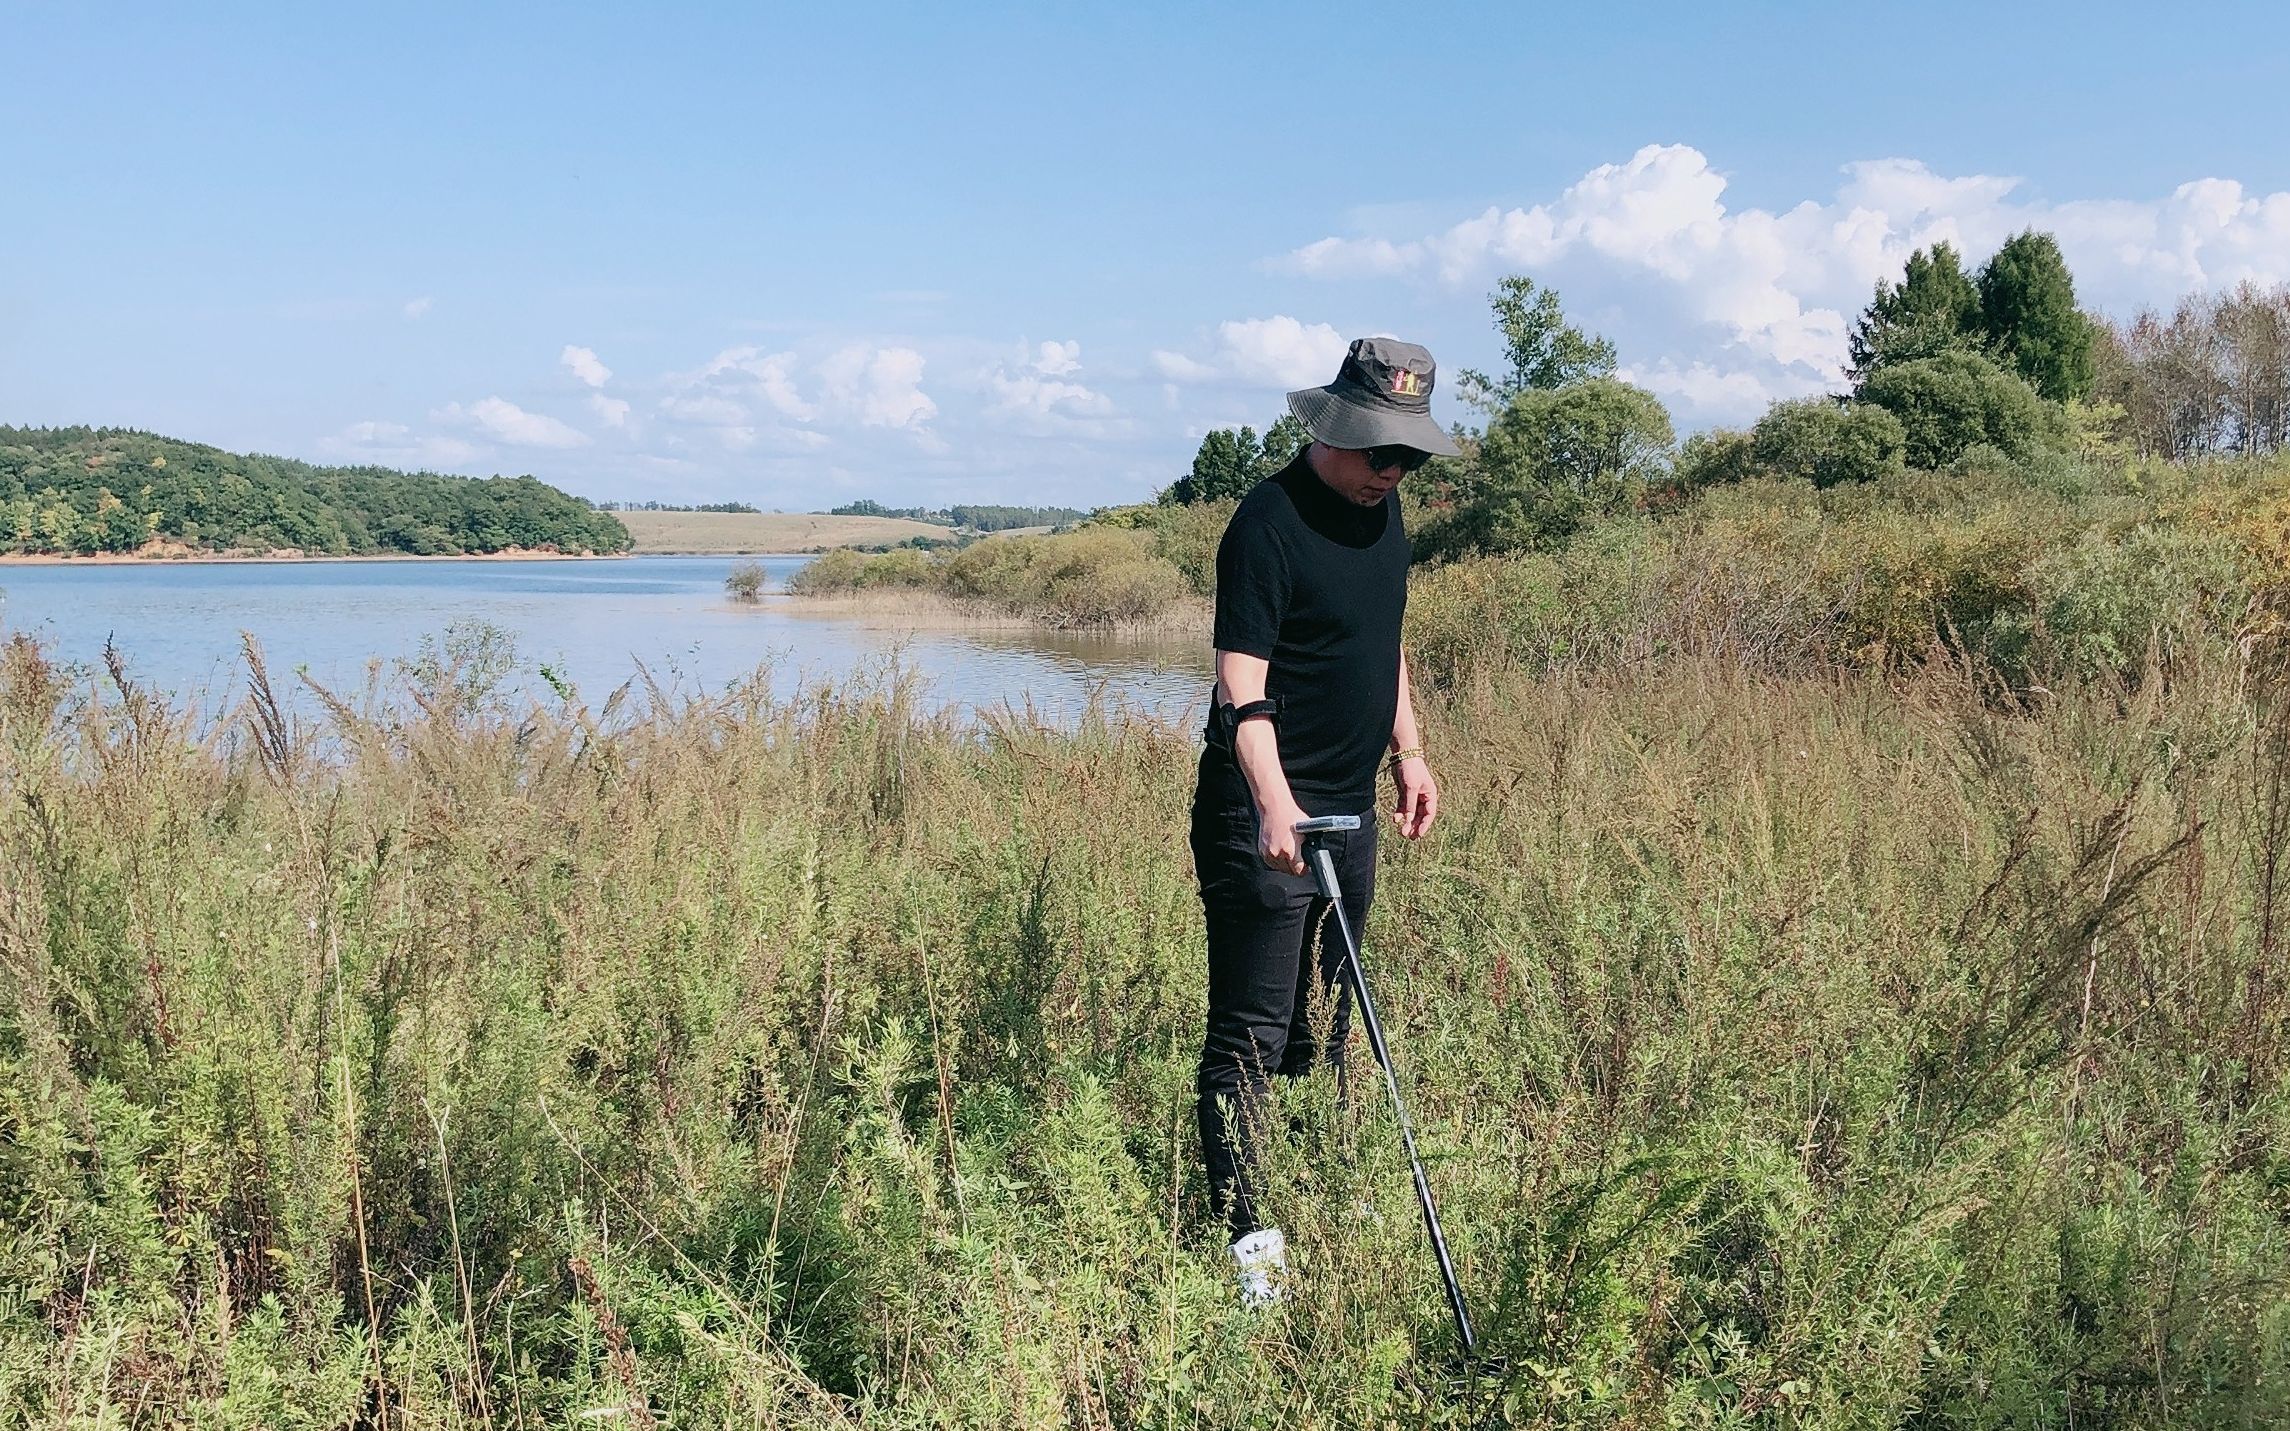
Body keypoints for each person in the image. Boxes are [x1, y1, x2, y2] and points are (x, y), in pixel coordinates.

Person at [1190, 336, 1457, 1304]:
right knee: (1251, 1040)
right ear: (1336, 426)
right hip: (1262, 819)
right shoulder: (1265, 525)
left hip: (1350, 815)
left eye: (1409, 457)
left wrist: (1411, 751)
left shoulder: (1386, 523)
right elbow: (1239, 691)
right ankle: (1252, 1254)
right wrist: (1273, 803)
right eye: (1382, 453)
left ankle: (1329, 1192)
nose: (1394, 472)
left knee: (1336, 1029)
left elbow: (1382, 646)